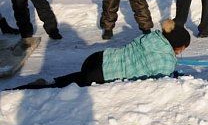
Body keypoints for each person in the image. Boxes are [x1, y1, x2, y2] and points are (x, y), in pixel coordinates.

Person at [13, 19, 190, 89]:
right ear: (178, 47)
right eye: (183, 49)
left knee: (80, 77)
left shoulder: (152, 38)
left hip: (99, 58)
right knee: (79, 83)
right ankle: (43, 88)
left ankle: (54, 81)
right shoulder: (166, 61)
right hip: (102, 74)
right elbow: (161, 84)